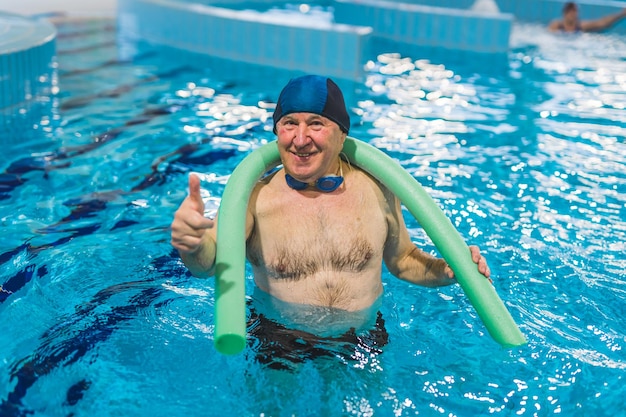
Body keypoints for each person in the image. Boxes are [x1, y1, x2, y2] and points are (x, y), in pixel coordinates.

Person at [170, 74, 491, 324]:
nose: (300, 139)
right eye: (289, 124)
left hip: (362, 335)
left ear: (342, 135)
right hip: (279, 337)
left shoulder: (379, 190)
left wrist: (448, 270)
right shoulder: (254, 198)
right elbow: (209, 265)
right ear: (276, 132)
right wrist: (192, 244)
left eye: (316, 124)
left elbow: (403, 261)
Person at [548, 2, 626, 33]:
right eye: (570, 11)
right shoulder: (556, 26)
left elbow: (602, 23)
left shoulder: (581, 26)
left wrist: (621, 14)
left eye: (574, 11)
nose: (572, 14)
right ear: (565, 13)